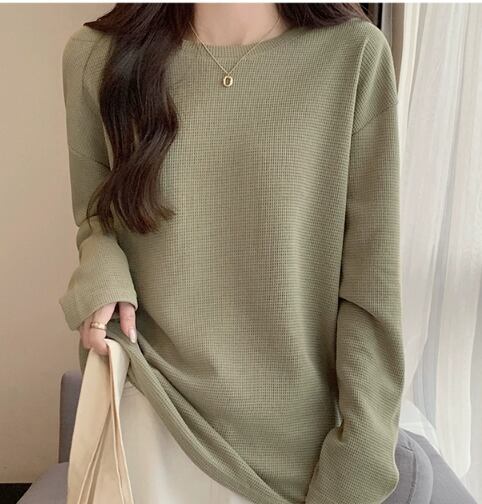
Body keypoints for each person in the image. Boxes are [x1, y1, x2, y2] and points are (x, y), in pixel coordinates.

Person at [59, 4, 434, 504]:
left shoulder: (354, 56)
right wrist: (103, 279)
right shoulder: (96, 55)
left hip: (294, 456)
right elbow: (96, 217)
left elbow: (372, 286)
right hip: (151, 411)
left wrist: (359, 460)